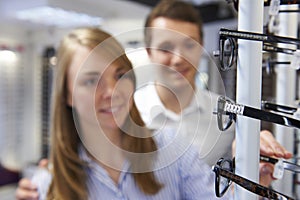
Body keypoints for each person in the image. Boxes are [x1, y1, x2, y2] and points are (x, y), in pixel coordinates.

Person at [16, 27, 229, 200]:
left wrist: (254, 178)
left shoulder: (174, 150)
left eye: (119, 75)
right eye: (91, 81)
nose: (112, 92)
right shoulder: (48, 186)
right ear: (67, 95)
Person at [134, 0, 292, 185]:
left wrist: (253, 163)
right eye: (166, 48)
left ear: (201, 46)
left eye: (189, 45)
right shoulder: (125, 114)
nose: (178, 58)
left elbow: (232, 186)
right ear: (149, 51)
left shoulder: (228, 115)